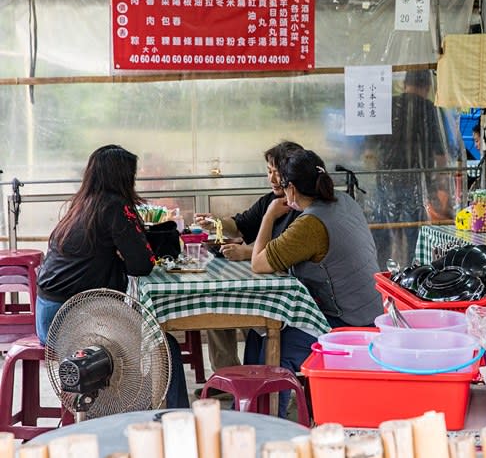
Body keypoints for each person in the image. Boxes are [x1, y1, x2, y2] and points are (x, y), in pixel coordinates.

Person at [35, 144, 189, 408]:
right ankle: (177, 419)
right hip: (72, 321)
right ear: (122, 177)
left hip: (48, 317)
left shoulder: (82, 205)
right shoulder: (115, 206)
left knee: (150, 339)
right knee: (163, 344)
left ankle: (132, 408)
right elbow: (142, 264)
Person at [250, 148, 383, 417]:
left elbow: (258, 264)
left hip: (349, 322)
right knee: (258, 335)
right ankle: (258, 409)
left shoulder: (310, 224)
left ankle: (272, 422)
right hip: (373, 311)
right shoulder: (345, 201)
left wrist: (268, 216)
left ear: (292, 190)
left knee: (273, 348)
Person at [194, 141, 304, 371]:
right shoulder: (270, 201)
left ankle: (248, 378)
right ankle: (228, 376)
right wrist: (214, 223)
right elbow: (241, 224)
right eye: (269, 171)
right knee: (216, 307)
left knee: (228, 310)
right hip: (261, 278)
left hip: (287, 293)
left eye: (278, 172)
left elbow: (287, 252)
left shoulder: (303, 208)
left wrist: (246, 252)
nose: (272, 179)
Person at [363, 69, 456, 266]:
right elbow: (440, 155)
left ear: (404, 84)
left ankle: (381, 271)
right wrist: (441, 185)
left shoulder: (386, 106)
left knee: (384, 227)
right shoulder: (431, 109)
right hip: (416, 181)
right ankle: (412, 271)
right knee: (414, 229)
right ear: (428, 87)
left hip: (384, 179)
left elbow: (369, 150)